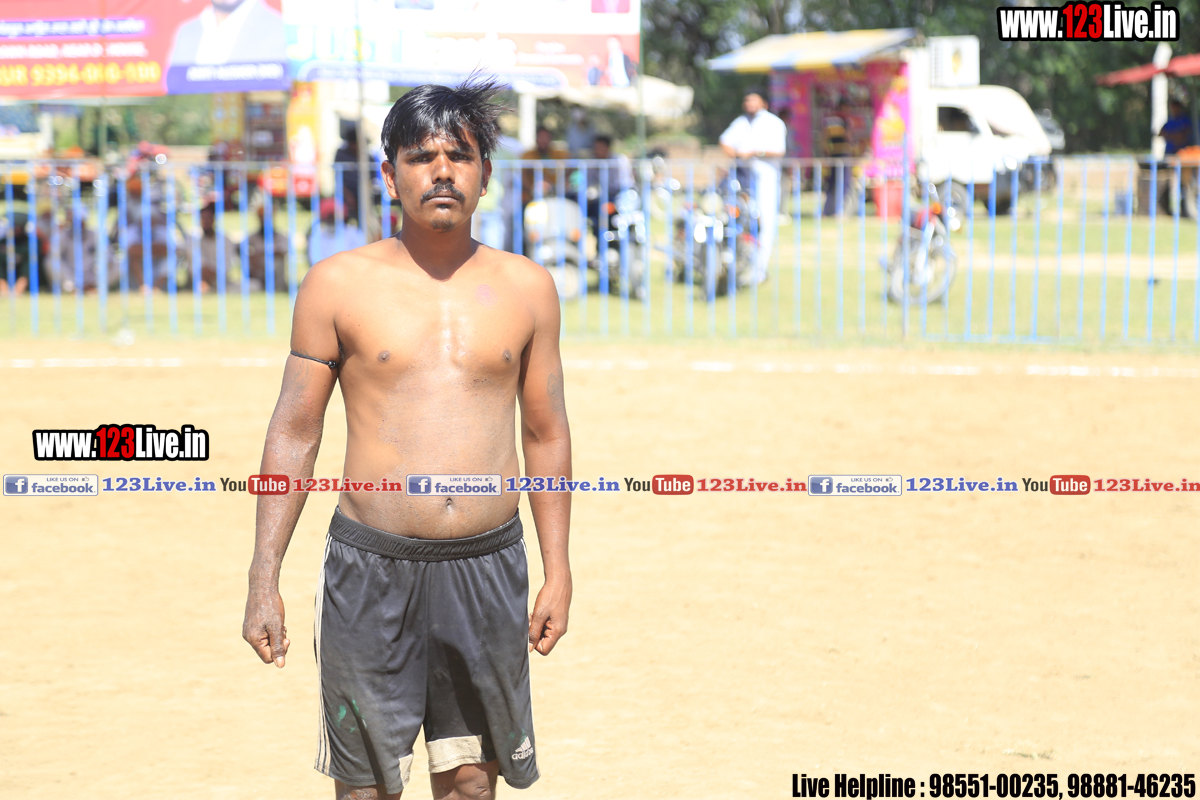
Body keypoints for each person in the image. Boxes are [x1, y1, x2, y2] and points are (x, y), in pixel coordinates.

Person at [241, 75, 572, 800]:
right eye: (422, 157)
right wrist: (264, 575)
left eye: (460, 155)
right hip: (370, 569)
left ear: (486, 171)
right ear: (390, 176)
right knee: (367, 789)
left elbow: (546, 434)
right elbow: (294, 432)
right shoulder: (335, 285)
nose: (442, 171)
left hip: (487, 567)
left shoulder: (528, 288)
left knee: (471, 783)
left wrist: (558, 568)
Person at [719, 87, 787, 286]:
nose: (750, 104)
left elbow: (779, 150)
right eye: (748, 101)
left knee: (765, 222)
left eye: (754, 100)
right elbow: (725, 141)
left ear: (763, 103)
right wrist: (737, 156)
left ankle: (759, 269)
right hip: (743, 177)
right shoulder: (741, 123)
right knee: (736, 217)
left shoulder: (773, 123)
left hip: (765, 177)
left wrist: (755, 152)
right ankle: (735, 264)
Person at [520, 127, 570, 207]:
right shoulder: (527, 155)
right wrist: (531, 188)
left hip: (557, 195)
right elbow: (523, 175)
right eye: (540, 137)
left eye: (546, 137)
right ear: (536, 139)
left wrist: (562, 184)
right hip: (533, 196)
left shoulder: (560, 154)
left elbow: (569, 168)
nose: (543, 140)